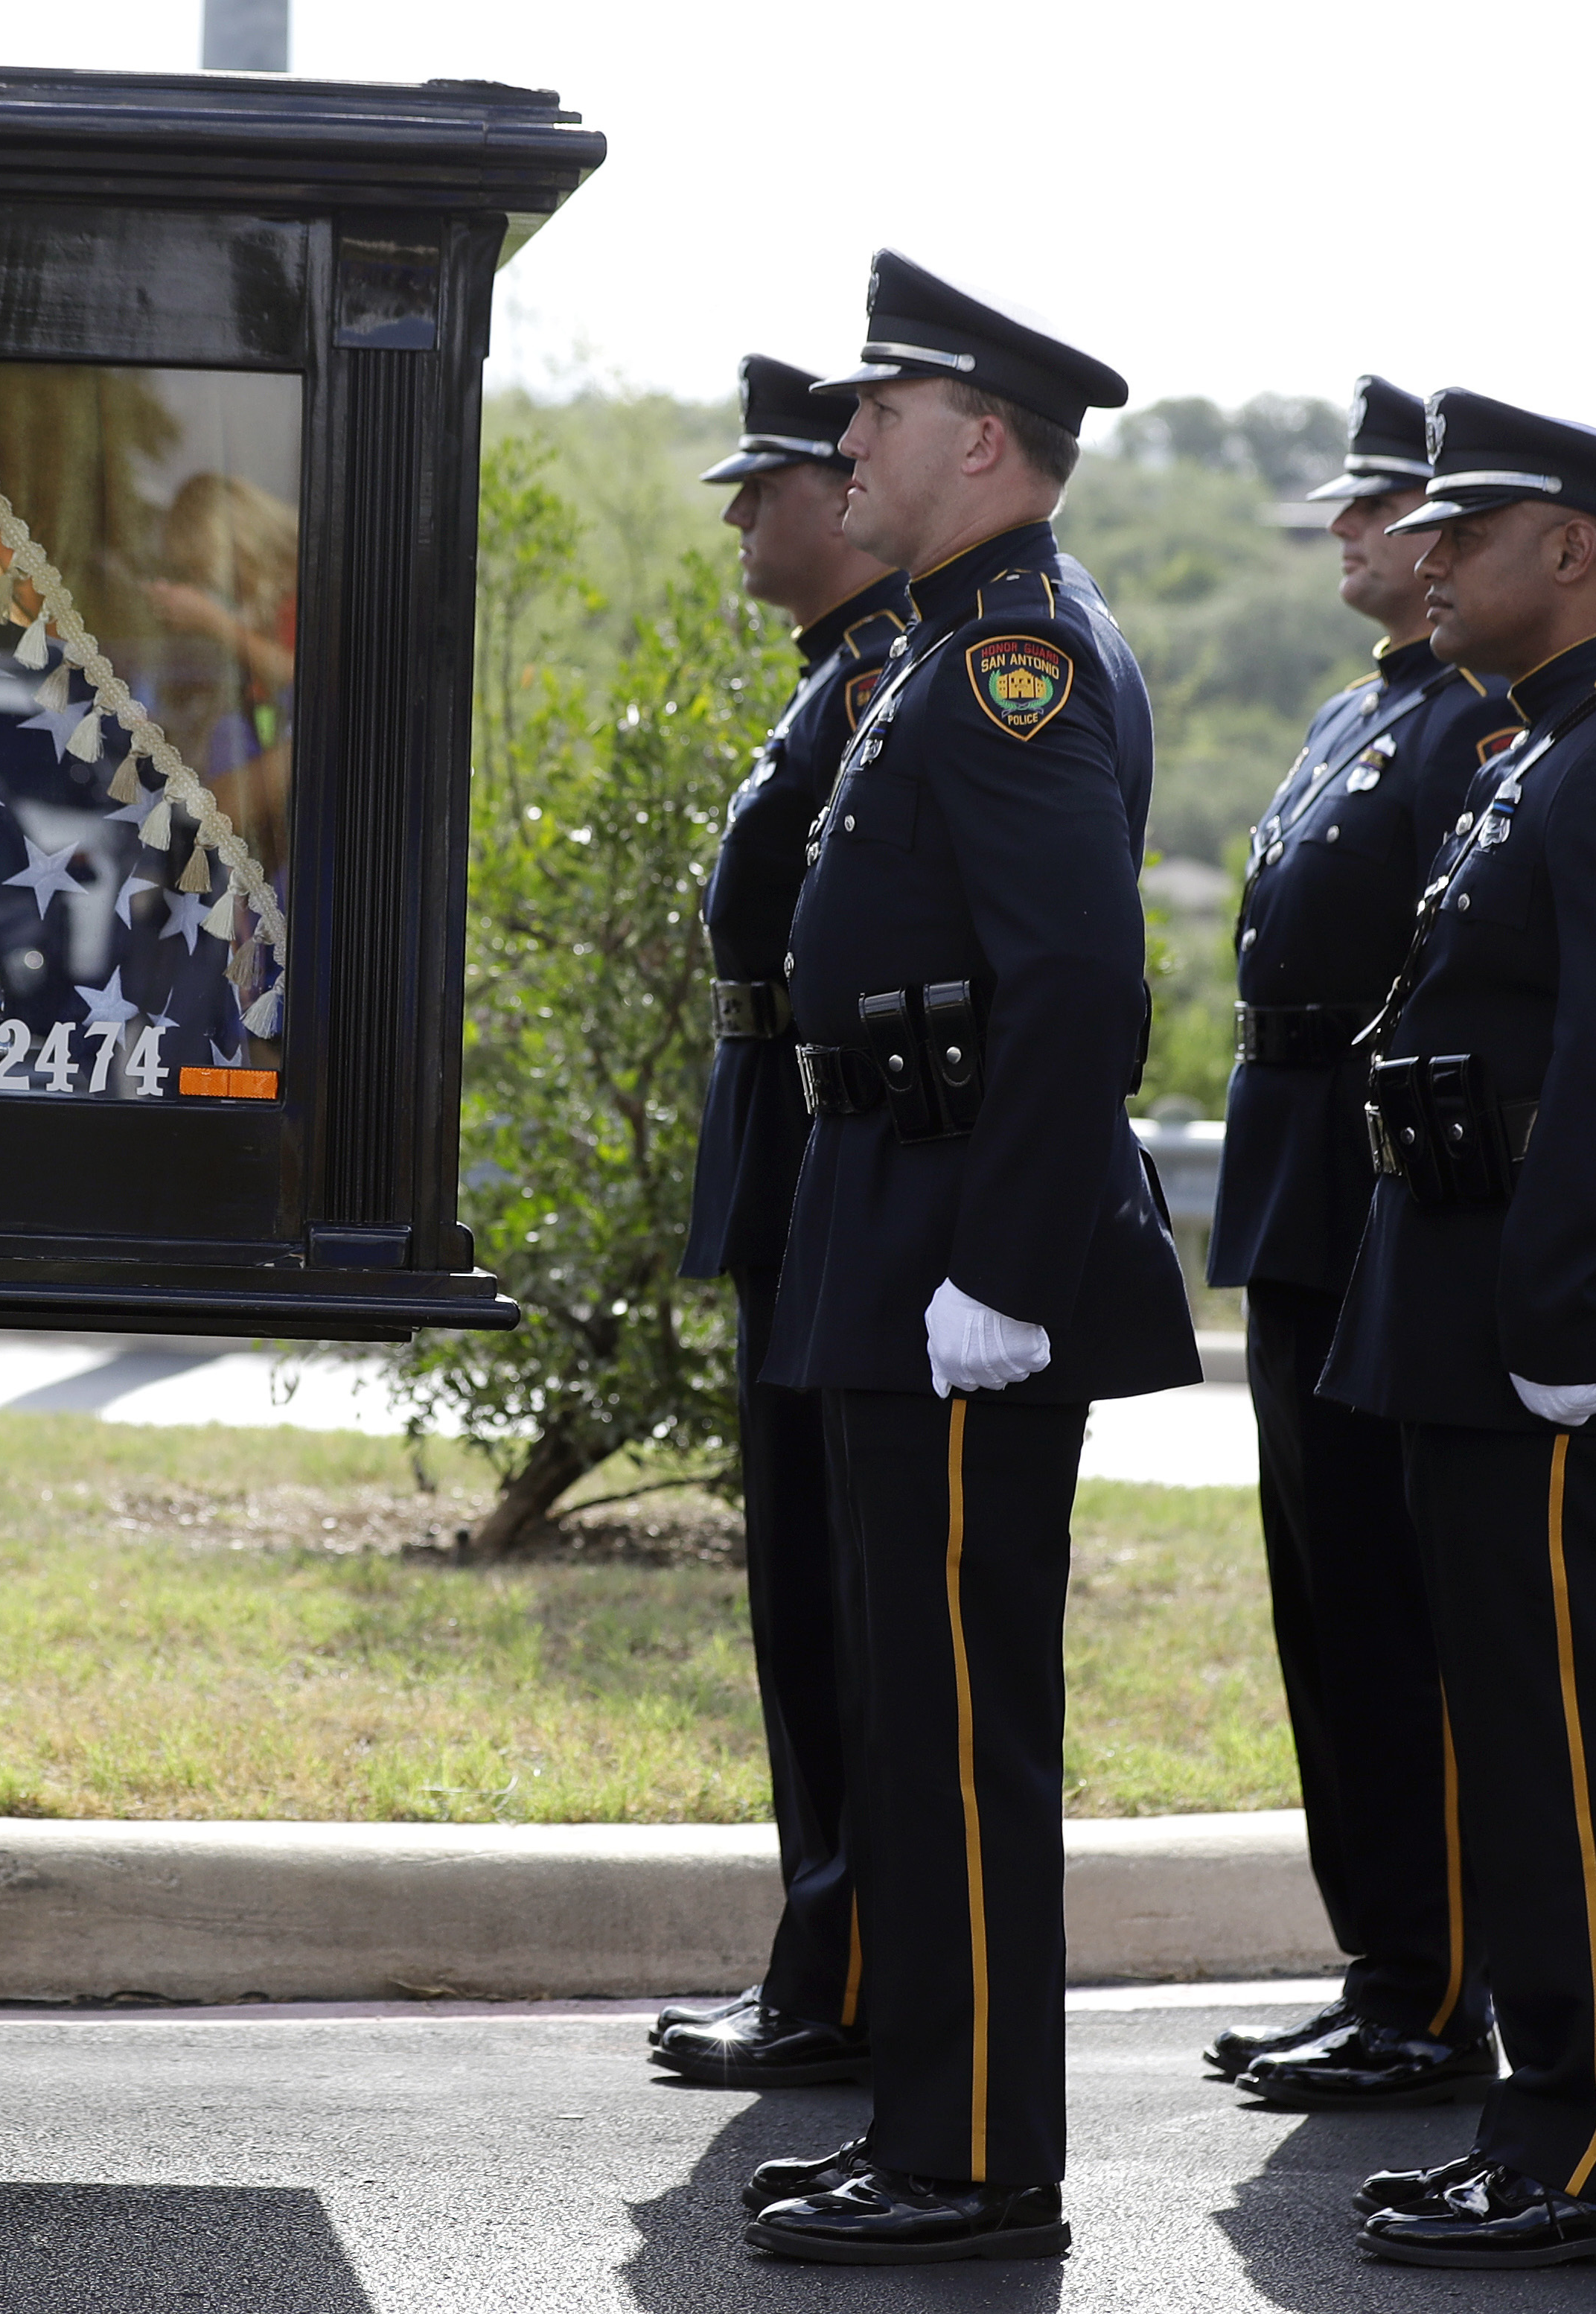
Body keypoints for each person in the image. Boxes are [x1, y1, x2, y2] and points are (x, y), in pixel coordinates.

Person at [736, 250, 1201, 2266]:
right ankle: (929, 2127)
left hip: (954, 1246)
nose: (845, 439)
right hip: (883, 1216)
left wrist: (1003, 1272)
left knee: (949, 1729)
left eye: (880, 409)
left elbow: (1077, 981)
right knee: (899, 1717)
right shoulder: (941, 642)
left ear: (982, 438)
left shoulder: (1018, 652)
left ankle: (978, 2157)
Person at [1316, 388, 1596, 2269]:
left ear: (1575, 547)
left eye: (1466, 529)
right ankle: (1537, 2122)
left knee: (1574, 1754)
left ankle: (1594, 2161)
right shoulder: (1535, 752)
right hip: (1476, 1315)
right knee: (1511, 1748)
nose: (1425, 557)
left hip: (1551, 1336)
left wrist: (1559, 1321)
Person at [1198, 376, 1516, 2109]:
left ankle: (1435, 1982)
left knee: (1398, 1608)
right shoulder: (1365, 710)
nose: (1341, 529)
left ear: (1445, 536)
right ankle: (1385, 1960)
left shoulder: (1478, 720)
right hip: (1299, 1186)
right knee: (1326, 1606)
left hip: (1383, 1187)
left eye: (1374, 508)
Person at [645, 355, 910, 2091]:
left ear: (847, 494)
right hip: (783, 1161)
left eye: (767, 484)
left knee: (840, 1609)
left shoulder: (891, 676)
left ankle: (851, 1973)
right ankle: (821, 1955)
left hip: (838, 1173)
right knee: (799, 1609)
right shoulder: (838, 680)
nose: (742, 514)